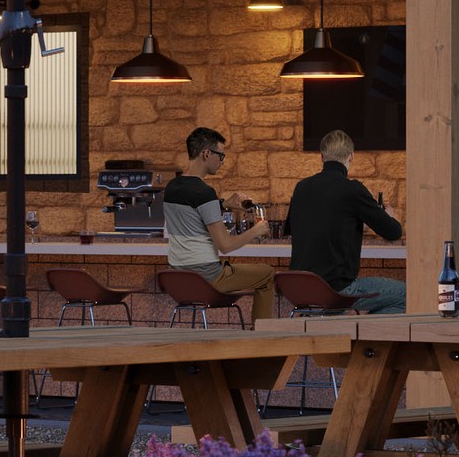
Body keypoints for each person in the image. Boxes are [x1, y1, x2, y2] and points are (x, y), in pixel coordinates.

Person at [284, 129, 407, 314]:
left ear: (322, 156)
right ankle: (366, 340)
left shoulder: (301, 187)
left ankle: (347, 332)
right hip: (336, 289)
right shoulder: (353, 190)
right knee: (407, 295)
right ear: (351, 156)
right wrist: (390, 216)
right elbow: (393, 232)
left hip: (299, 288)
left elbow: (298, 228)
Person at [158, 127, 277, 317]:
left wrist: (223, 204)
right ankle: (260, 336)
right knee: (267, 274)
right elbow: (225, 246)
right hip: (208, 279)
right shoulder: (205, 193)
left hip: (178, 280)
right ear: (206, 154)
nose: (222, 162)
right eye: (221, 156)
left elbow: (193, 211)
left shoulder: (172, 187)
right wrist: (256, 230)